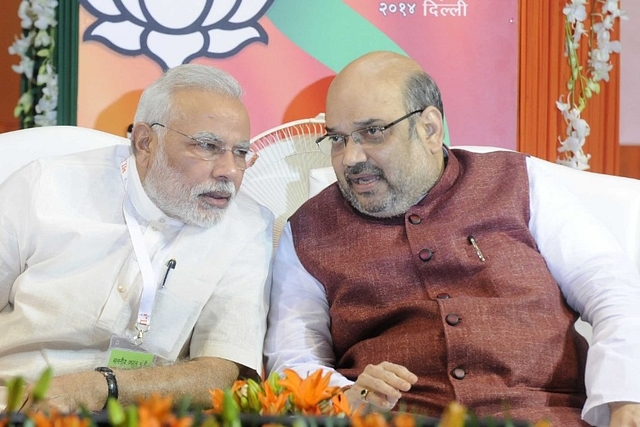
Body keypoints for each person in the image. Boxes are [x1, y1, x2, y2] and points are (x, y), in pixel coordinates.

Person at [264, 51, 640, 426]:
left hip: (548, 417)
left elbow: (613, 291)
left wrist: (627, 401)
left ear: (429, 128)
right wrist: (347, 395)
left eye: (373, 132)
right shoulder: (308, 229)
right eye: (338, 139)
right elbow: (293, 361)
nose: (350, 158)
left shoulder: (519, 183)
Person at [0, 64, 273, 412]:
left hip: (144, 415)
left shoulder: (247, 225)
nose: (229, 172)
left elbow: (223, 372)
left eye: (241, 152)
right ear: (145, 142)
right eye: (208, 146)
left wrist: (102, 386)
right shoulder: (45, 186)